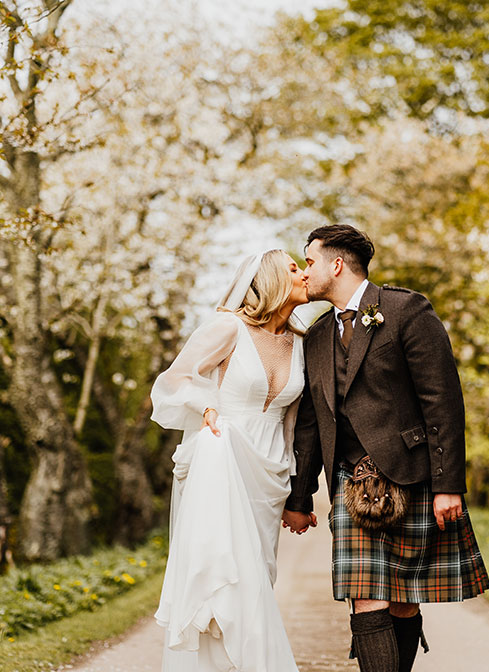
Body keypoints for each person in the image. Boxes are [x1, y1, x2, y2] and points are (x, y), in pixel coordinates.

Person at [281, 224, 489, 672]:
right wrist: (299, 499)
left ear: (337, 264)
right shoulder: (317, 336)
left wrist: (447, 486)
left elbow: (443, 402)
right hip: (348, 484)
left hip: (411, 476)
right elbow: (312, 426)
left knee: (403, 602)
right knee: (365, 596)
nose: (305, 272)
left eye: (310, 261)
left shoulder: (405, 310)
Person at [150, 249, 314, 672]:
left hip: (268, 473)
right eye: (295, 268)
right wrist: (206, 407)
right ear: (272, 279)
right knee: (223, 581)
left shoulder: (301, 342)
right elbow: (174, 380)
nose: (304, 274)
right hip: (223, 460)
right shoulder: (229, 328)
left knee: (257, 580)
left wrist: (298, 490)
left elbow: (294, 423)